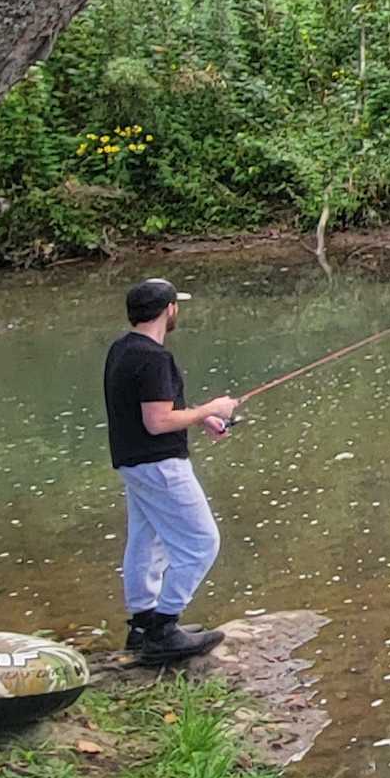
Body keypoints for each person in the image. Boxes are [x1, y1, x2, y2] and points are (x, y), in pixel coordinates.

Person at [103, 276, 236, 663]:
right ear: (169, 310)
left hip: (134, 463)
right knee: (201, 543)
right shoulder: (154, 358)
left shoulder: (123, 349)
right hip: (160, 465)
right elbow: (158, 422)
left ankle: (143, 623)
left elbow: (154, 407)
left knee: (147, 542)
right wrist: (212, 408)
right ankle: (164, 629)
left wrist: (200, 418)